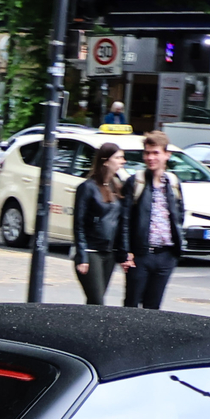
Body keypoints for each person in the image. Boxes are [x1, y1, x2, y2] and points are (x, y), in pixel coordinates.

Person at [121, 132, 185, 310]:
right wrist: (126, 252)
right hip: (141, 255)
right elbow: (125, 219)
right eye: (147, 153)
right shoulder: (136, 181)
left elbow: (179, 214)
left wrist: (175, 251)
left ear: (167, 155)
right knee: (131, 305)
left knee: (153, 308)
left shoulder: (172, 182)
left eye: (155, 153)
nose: (150, 158)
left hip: (165, 255)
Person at [68, 141, 128, 305]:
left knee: (95, 302)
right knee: (97, 301)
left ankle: (86, 330)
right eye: (118, 157)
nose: (123, 161)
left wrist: (123, 252)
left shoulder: (116, 186)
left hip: (109, 252)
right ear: (105, 160)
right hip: (91, 251)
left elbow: (121, 222)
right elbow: (78, 223)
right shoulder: (87, 188)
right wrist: (82, 255)